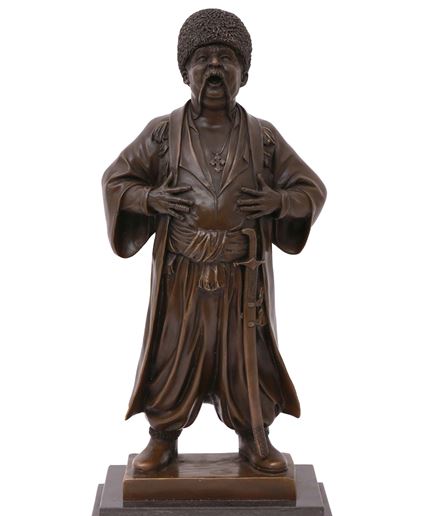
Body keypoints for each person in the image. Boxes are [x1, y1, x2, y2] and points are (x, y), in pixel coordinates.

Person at [102, 9, 326, 474]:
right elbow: (116, 180)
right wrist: (150, 198)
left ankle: (254, 435)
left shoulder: (263, 138)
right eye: (203, 59)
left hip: (242, 280)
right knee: (173, 356)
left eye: (227, 58)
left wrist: (279, 202)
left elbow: (311, 189)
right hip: (182, 275)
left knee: (247, 362)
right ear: (185, 72)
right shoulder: (163, 134)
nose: (215, 68)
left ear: (245, 73)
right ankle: (163, 435)